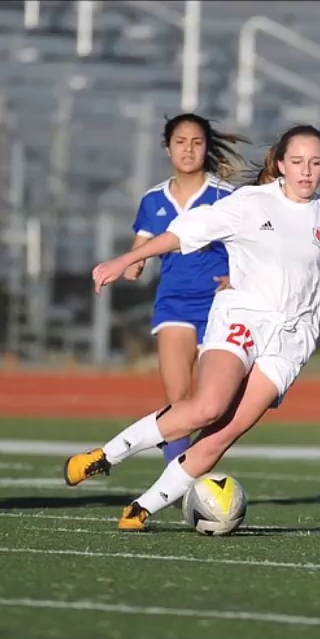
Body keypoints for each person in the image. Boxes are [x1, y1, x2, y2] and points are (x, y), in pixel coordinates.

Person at [62, 124, 320, 531]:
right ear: (281, 164)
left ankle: (141, 509)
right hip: (242, 318)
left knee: (222, 434)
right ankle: (105, 456)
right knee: (208, 407)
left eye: (315, 163)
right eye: (298, 162)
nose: (306, 171)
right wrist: (124, 260)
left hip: (290, 339)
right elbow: (184, 233)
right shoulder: (251, 202)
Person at [124, 113, 248, 463]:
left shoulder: (228, 196)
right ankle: (176, 482)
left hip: (219, 307)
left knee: (213, 406)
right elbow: (141, 248)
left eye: (196, 142)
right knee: (178, 399)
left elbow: (252, 247)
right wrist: (134, 263)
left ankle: (194, 468)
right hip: (174, 304)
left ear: (206, 147)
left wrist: (237, 277)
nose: (189, 150)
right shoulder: (153, 200)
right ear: (167, 149)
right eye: (180, 142)